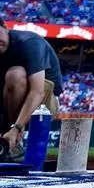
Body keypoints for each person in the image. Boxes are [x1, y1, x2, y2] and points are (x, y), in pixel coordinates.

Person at [0, 23, 62, 162]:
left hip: (43, 104)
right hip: (9, 103)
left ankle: (15, 142)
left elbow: (37, 91)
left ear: (5, 28)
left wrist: (16, 128)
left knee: (15, 74)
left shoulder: (30, 43)